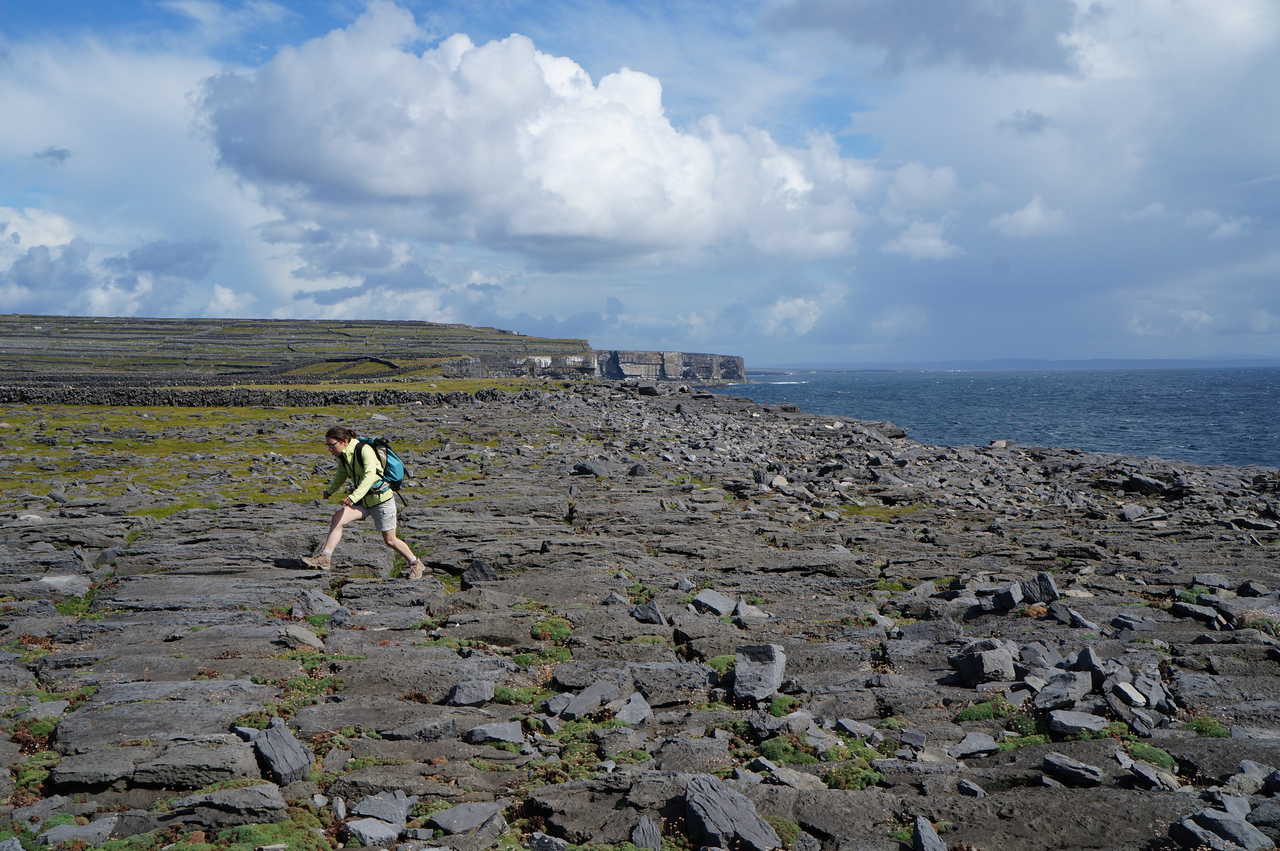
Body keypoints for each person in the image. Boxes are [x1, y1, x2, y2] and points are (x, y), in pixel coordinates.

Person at [302, 426, 424, 579]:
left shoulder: (364, 450)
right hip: (363, 501)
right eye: (327, 445)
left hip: (381, 501)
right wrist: (330, 490)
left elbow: (370, 476)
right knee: (337, 518)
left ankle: (415, 563)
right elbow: (342, 473)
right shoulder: (343, 455)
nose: (329, 449)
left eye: (331, 445)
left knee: (390, 540)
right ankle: (325, 558)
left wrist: (353, 496)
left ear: (344, 441)